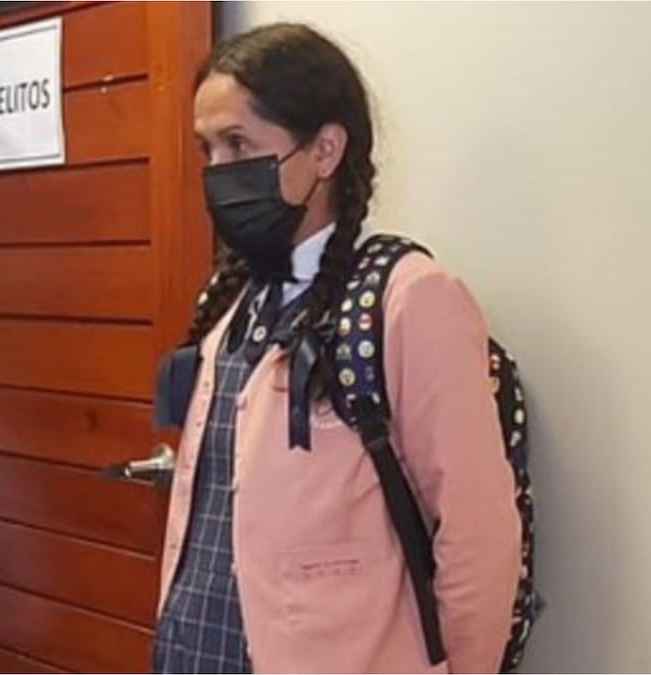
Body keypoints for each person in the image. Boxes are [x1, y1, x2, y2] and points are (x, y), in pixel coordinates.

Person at [152, 22, 521, 674]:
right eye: (207, 148)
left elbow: (478, 538)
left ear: (324, 150)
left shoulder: (408, 300)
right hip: (195, 649)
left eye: (238, 143)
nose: (217, 172)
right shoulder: (232, 302)